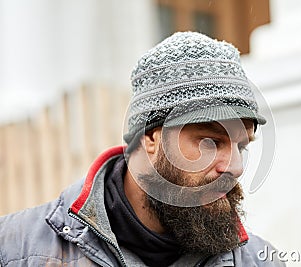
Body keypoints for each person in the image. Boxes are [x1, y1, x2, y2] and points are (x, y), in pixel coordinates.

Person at [0, 32, 285, 267]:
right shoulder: (15, 249)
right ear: (151, 137)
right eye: (211, 142)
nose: (234, 166)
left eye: (242, 145)